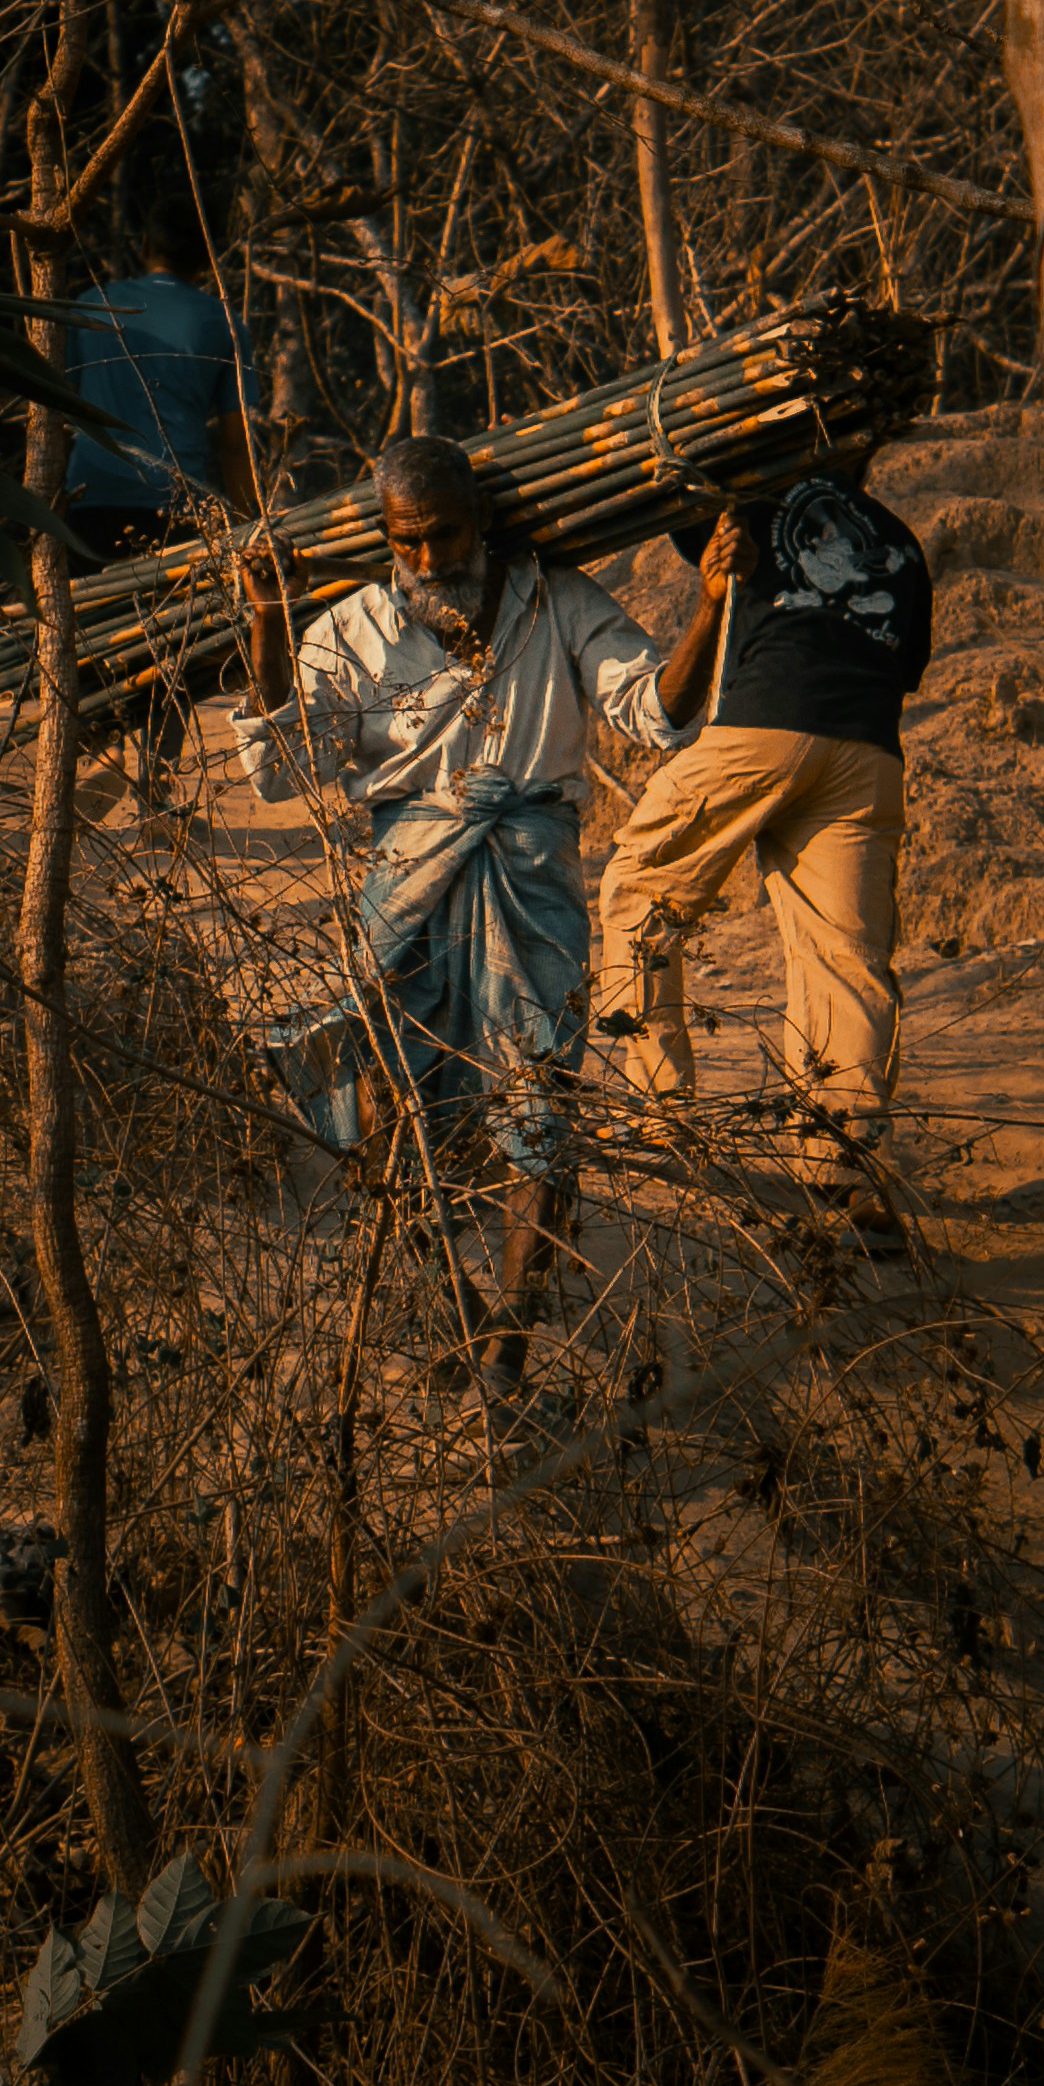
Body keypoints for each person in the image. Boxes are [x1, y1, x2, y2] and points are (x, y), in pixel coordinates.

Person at [237, 433, 721, 1397]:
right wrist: (264, 628)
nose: (427, 560)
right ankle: (443, 1290)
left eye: (445, 536)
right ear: (383, 536)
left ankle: (510, 1344)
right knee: (381, 1089)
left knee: (539, 1096)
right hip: (403, 880)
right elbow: (285, 769)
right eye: (405, 541)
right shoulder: (350, 628)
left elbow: (653, 712)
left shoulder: (560, 600)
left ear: (482, 522)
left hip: (533, 880)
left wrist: (711, 602)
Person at [588, 454, 930, 1222]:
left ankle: (658, 1115)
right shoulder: (900, 540)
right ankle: (846, 1166)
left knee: (641, 885)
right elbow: (905, 666)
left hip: (764, 724)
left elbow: (677, 509)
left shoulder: (747, 494)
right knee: (844, 956)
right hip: (868, 752)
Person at [62, 175, 252, 559]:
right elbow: (236, 445)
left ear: (145, 244)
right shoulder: (224, 323)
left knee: (88, 617)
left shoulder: (89, 303)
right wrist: (249, 530)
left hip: (88, 499)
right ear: (207, 257)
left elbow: (54, 412)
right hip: (177, 510)